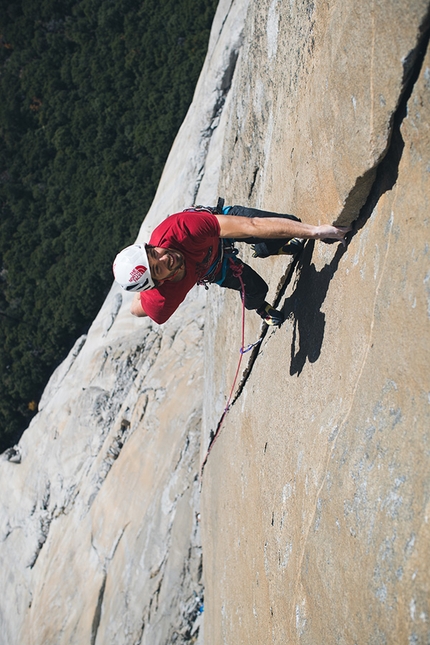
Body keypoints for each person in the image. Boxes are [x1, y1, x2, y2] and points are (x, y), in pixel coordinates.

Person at [113, 202, 351, 326]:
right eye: (157, 268)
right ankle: (259, 307)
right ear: (159, 282)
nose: (166, 257)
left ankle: (272, 247)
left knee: (290, 224)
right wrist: (142, 293)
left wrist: (316, 232)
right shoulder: (161, 300)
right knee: (258, 291)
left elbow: (251, 226)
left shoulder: (180, 229)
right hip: (215, 268)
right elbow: (137, 309)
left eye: (154, 252)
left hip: (218, 228)